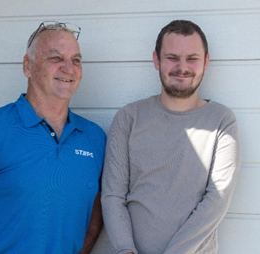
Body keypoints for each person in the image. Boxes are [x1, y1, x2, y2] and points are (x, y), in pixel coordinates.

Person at [0, 21, 106, 254]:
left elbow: (95, 216)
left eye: (76, 60)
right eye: (56, 58)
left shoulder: (94, 138)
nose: (69, 68)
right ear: (28, 66)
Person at [101, 20, 241, 254]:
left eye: (192, 58)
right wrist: (125, 250)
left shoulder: (221, 121)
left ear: (206, 62)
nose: (182, 67)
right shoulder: (129, 118)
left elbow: (217, 200)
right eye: (172, 57)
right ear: (156, 60)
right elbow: (112, 195)